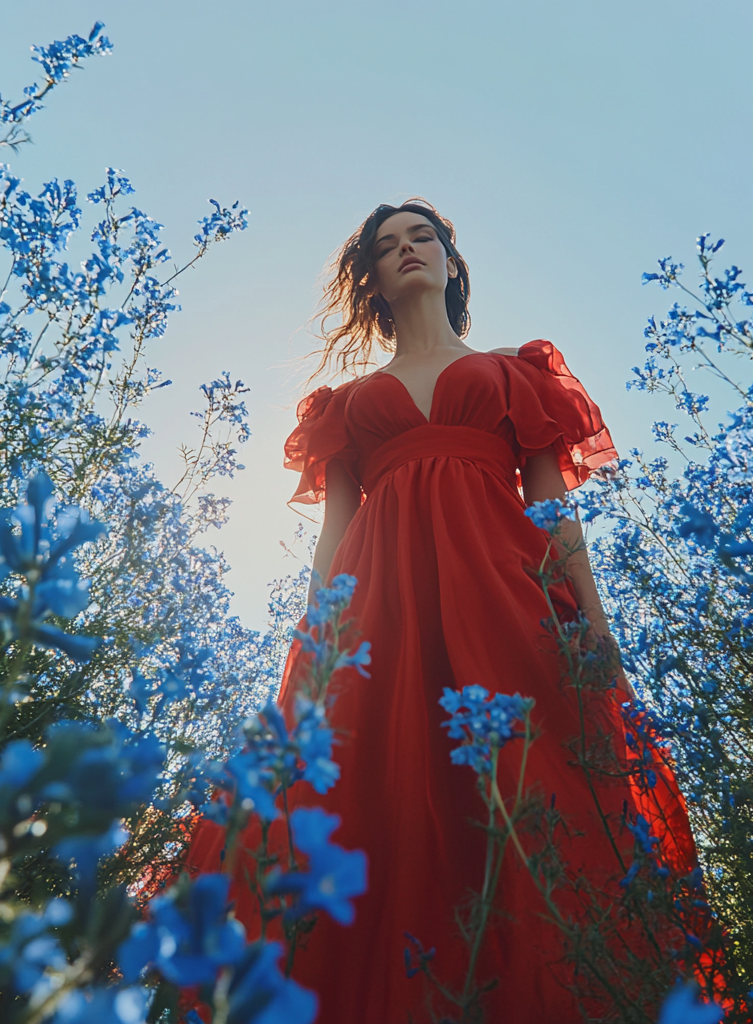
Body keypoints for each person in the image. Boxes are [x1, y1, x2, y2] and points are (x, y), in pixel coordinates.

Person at [185, 199, 704, 1022]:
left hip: (505, 594)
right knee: (379, 797)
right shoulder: (347, 404)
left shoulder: (514, 371)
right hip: (383, 612)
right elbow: (335, 535)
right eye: (388, 248)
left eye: (422, 237)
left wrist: (597, 630)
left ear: (452, 262)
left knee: (534, 781)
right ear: (375, 282)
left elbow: (555, 509)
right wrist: (316, 646)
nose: (408, 251)